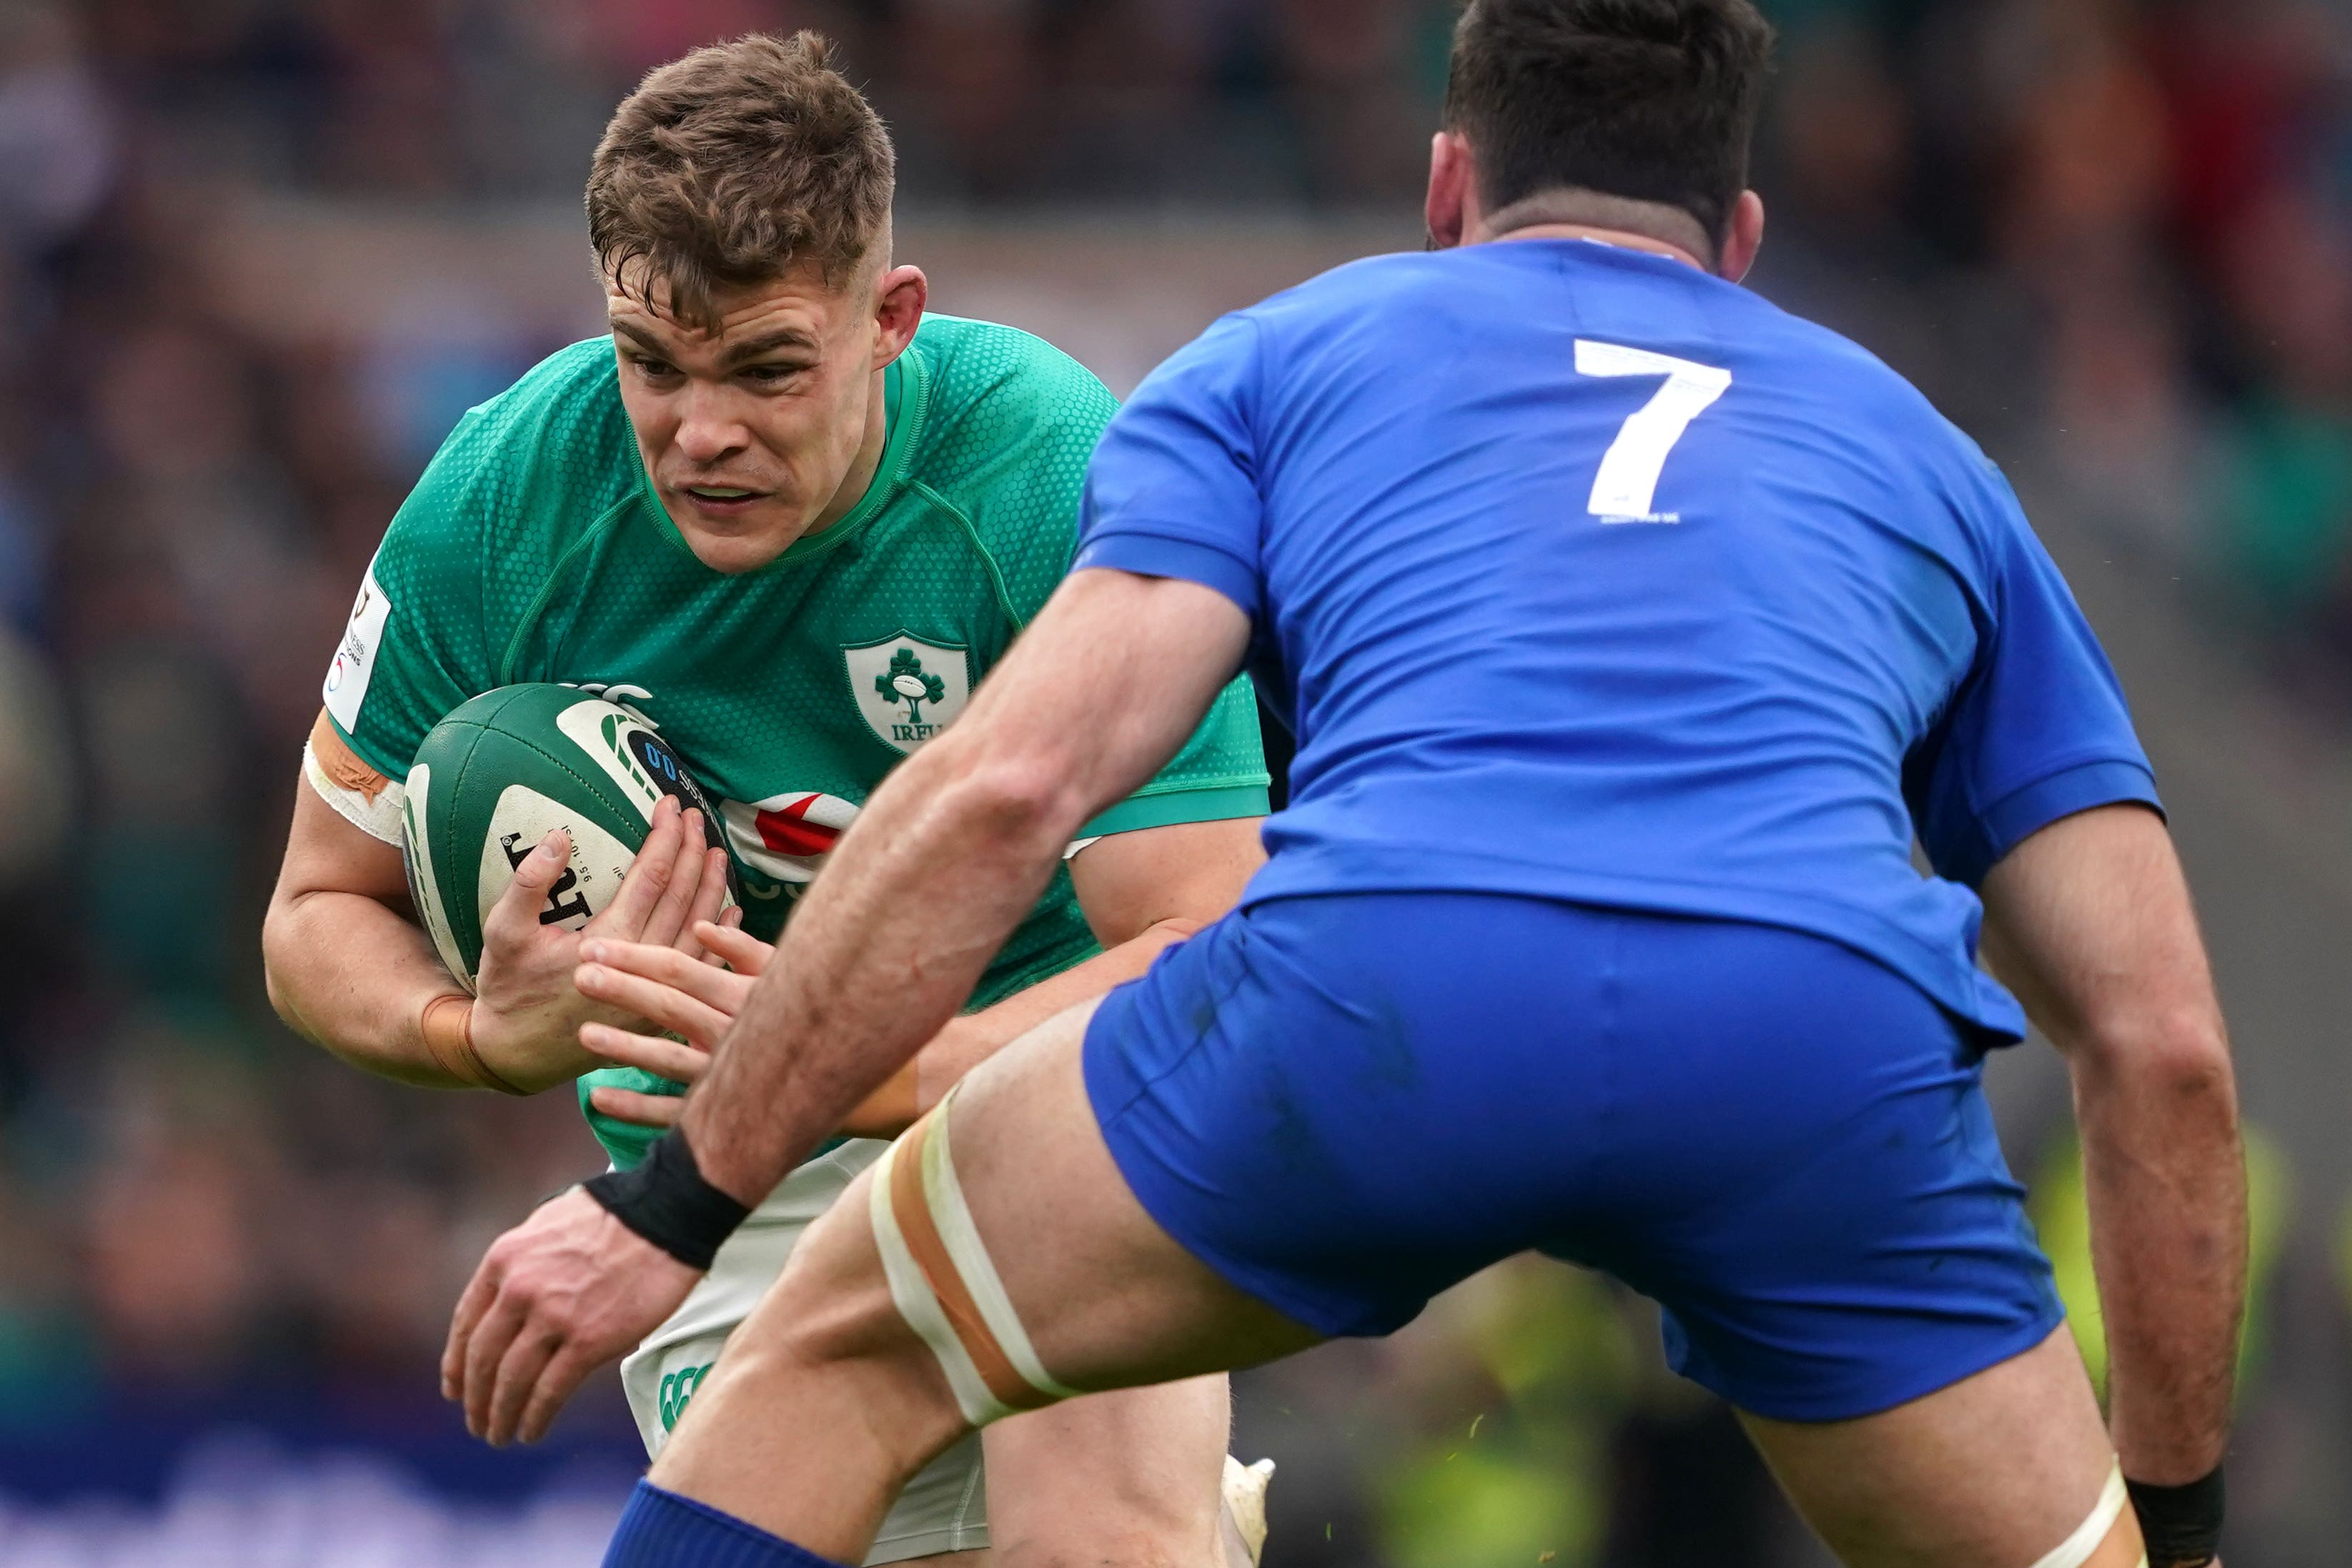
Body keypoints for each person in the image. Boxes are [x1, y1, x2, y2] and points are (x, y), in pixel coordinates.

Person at [444, 4, 2248, 1567]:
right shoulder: (1927, 457)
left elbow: (1006, 787)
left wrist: (669, 1201)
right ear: (1742, 240)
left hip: (1392, 978)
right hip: (1801, 1032)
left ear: (1447, 187)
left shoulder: (1283, 358)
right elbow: (2160, 1041)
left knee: (831, 1354)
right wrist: (2177, 1521)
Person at [260, 32, 1278, 1568]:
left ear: (891, 320)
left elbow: (1205, 945)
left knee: (1103, 1548)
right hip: (717, 1173)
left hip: (1035, 1076)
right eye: (650, 364)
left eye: (765, 366)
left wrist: (845, 1063)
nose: (699, 431)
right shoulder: (503, 495)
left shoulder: (1045, 465)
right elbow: (313, 910)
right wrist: (473, 1033)